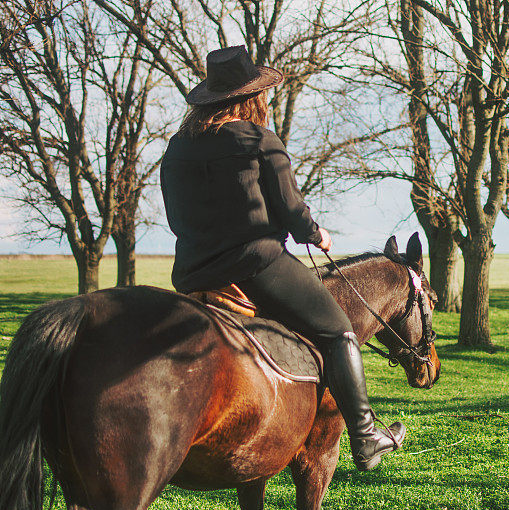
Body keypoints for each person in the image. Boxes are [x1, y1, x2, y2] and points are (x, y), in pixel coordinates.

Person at [160, 45, 405, 471]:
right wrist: (317, 234)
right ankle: (366, 437)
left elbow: (175, 218)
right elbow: (293, 213)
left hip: (192, 273)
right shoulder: (259, 140)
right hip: (256, 265)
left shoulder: (178, 147)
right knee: (339, 332)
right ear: (251, 97)